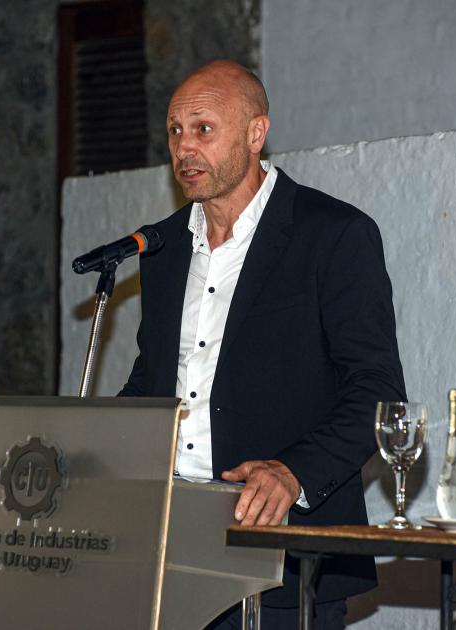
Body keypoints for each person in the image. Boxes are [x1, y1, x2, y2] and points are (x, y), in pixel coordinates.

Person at [119, 60, 406, 629]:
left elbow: (376, 392)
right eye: (175, 131)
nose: (184, 148)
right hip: (169, 551)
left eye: (203, 128)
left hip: (282, 557)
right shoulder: (165, 247)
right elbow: (153, 377)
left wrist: (293, 472)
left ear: (256, 134)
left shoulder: (332, 234)